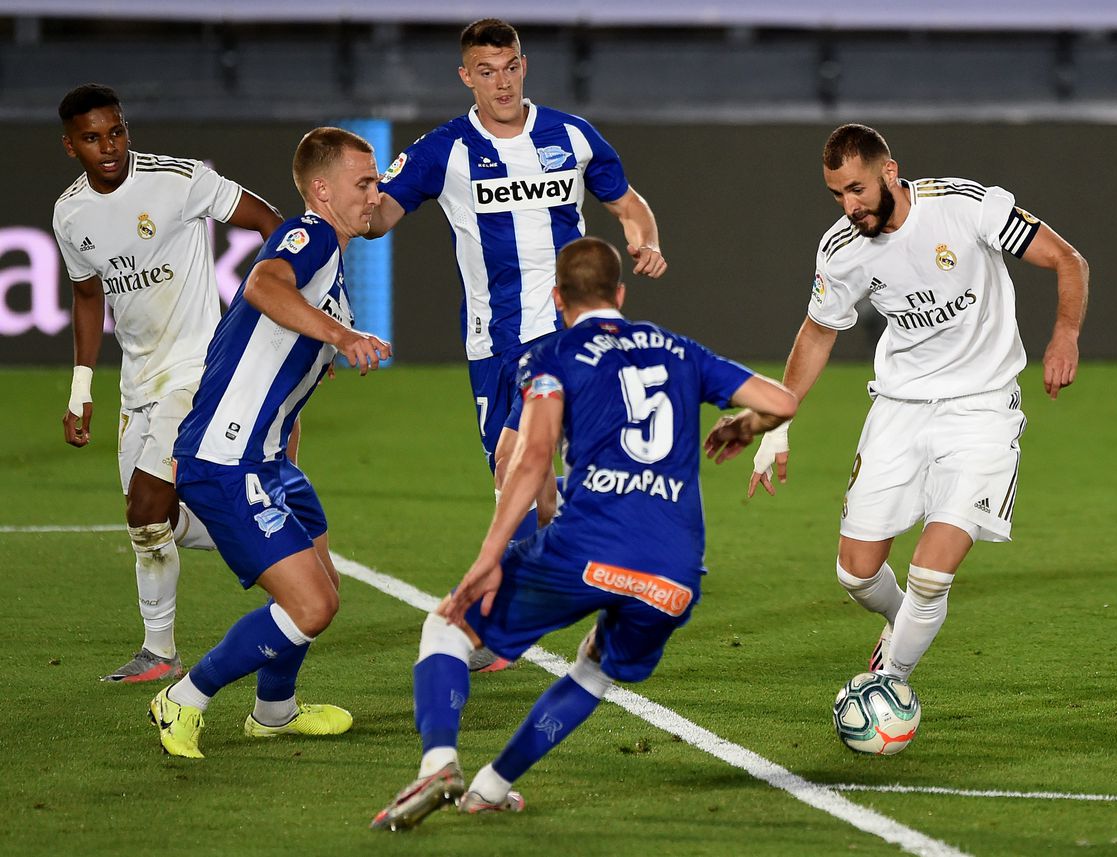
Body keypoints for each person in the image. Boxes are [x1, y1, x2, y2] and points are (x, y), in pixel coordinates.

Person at [369, 237, 795, 830]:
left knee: (447, 624)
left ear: (557, 298)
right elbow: (781, 400)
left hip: (589, 545)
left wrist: (490, 556)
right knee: (595, 669)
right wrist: (745, 426)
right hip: (675, 571)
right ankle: (490, 788)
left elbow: (534, 456)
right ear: (620, 294)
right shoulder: (678, 349)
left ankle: (439, 763)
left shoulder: (552, 355)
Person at [746, 123, 1088, 684]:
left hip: (981, 408)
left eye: (857, 189)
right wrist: (778, 421)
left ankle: (890, 685)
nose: (849, 206)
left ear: (889, 172)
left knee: (931, 575)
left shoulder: (966, 207)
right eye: (837, 194)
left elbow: (1068, 259)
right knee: (856, 574)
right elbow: (818, 331)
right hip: (899, 408)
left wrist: (1065, 335)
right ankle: (902, 623)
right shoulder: (842, 250)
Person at [147, 127, 392, 758]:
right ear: (322, 190)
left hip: (269, 462)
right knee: (310, 606)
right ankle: (184, 698)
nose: (375, 195)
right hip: (227, 461)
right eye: (364, 183)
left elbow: (282, 378)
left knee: (321, 591)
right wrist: (343, 336)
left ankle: (274, 712)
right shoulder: (308, 234)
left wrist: (286, 465)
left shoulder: (332, 271)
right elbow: (261, 284)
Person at [368, 18, 666, 511]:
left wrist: (646, 242)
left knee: (515, 464)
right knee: (525, 483)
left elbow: (628, 204)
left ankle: (548, 558)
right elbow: (378, 221)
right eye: (486, 72)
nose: (502, 83)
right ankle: (587, 537)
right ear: (466, 76)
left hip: (561, 327)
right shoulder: (442, 150)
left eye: (509, 68)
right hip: (491, 338)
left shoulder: (571, 135)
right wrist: (345, 196)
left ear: (524, 66)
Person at [52, 83, 284, 683]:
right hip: (138, 382)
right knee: (150, 524)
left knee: (147, 504)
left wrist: (292, 316)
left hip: (198, 371)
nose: (109, 147)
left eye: (117, 131)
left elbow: (270, 224)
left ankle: (161, 652)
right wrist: (81, 390)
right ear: (71, 146)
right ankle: (267, 531)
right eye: (92, 138)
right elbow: (87, 296)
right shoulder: (70, 214)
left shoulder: (178, 180)